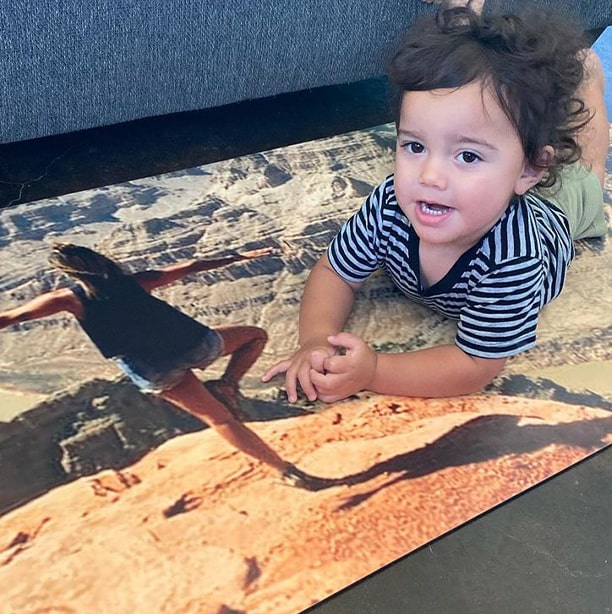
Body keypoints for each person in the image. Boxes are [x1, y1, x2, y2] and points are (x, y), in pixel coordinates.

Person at [263, 1, 608, 403]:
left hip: (558, 213)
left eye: (467, 156)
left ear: (529, 171)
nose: (430, 176)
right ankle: (467, 14)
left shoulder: (516, 258)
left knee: (585, 170)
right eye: (415, 145)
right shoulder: (390, 203)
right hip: (513, 181)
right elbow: (334, 271)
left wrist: (374, 371)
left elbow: (475, 364)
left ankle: (587, 76)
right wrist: (315, 338)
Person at [0, 243, 335, 491]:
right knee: (255, 337)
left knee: (220, 419)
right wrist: (237, 258)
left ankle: (285, 471)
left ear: (71, 272)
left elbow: (14, 316)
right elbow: (191, 266)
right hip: (189, 344)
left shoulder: (68, 298)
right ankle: (228, 384)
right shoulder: (135, 282)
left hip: (153, 368)